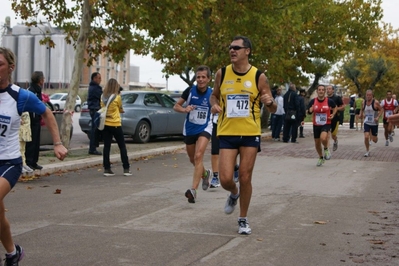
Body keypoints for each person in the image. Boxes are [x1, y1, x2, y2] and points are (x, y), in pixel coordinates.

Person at [0, 47, 68, 266]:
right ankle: (13, 254)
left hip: (9, 163)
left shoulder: (20, 96)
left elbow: (47, 112)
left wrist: (57, 143)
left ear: (10, 68)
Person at [210, 36, 276, 235]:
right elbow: (214, 94)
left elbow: (273, 108)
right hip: (227, 132)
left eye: (236, 48)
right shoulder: (221, 73)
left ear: (247, 51)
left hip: (250, 133)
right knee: (225, 179)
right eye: (230, 47)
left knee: (246, 177)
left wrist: (270, 101)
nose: (232, 50)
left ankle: (243, 219)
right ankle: (233, 192)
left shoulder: (258, 76)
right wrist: (213, 103)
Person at [174, 66, 213, 202]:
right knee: (192, 159)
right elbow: (176, 106)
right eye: (198, 77)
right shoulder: (190, 91)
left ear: (209, 79)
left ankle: (193, 190)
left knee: (198, 156)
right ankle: (205, 173)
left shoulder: (212, 94)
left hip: (205, 127)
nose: (200, 80)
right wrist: (185, 109)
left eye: (203, 77)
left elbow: (219, 106)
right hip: (190, 128)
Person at [101, 78, 131, 176]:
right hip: (116, 124)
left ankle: (107, 168)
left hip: (105, 124)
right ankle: (126, 168)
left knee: (106, 146)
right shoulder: (117, 97)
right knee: (122, 146)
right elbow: (120, 109)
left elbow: (102, 108)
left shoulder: (102, 97)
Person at [307, 85, 337, 166]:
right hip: (316, 124)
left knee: (323, 138)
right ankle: (321, 157)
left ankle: (326, 149)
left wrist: (333, 114)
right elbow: (308, 112)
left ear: (324, 92)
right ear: (317, 91)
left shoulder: (329, 101)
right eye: (319, 90)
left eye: (322, 90)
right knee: (317, 143)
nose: (321, 91)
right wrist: (310, 110)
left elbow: (335, 107)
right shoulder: (313, 101)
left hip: (326, 123)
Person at [25, 71, 45, 170]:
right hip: (31, 120)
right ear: (40, 80)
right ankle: (29, 161)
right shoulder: (31, 90)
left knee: (37, 142)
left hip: (37, 119)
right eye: (43, 78)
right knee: (31, 142)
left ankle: (34, 161)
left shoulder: (38, 90)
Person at [359, 89, 383, 157]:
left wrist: (378, 117)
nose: (368, 96)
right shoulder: (363, 102)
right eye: (367, 95)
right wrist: (361, 114)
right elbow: (362, 109)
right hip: (366, 122)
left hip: (374, 123)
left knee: (374, 140)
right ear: (365, 95)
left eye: (370, 95)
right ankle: (367, 151)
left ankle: (374, 137)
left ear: (372, 96)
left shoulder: (376, 102)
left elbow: (381, 110)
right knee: (366, 137)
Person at [87, 72, 103, 155]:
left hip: (95, 109)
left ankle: (94, 146)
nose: (100, 80)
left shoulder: (93, 87)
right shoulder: (95, 88)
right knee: (94, 129)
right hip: (95, 109)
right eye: (99, 78)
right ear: (94, 78)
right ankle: (92, 148)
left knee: (96, 129)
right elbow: (101, 96)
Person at [326, 85, 345, 152]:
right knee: (327, 135)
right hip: (327, 118)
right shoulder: (325, 99)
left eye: (329, 89)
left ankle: (335, 141)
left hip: (335, 119)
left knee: (333, 135)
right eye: (327, 89)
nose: (328, 90)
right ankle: (327, 150)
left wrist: (336, 109)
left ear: (333, 90)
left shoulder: (337, 98)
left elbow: (343, 107)